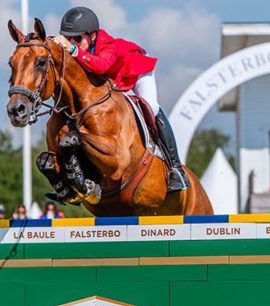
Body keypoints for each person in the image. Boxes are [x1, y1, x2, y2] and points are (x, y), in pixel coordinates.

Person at [52, 6, 189, 193]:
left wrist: (74, 49)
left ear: (92, 36)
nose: (71, 42)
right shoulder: (80, 47)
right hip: (112, 79)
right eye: (68, 38)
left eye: (77, 38)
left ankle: (176, 169)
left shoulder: (108, 45)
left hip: (136, 71)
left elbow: (100, 66)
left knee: (152, 107)